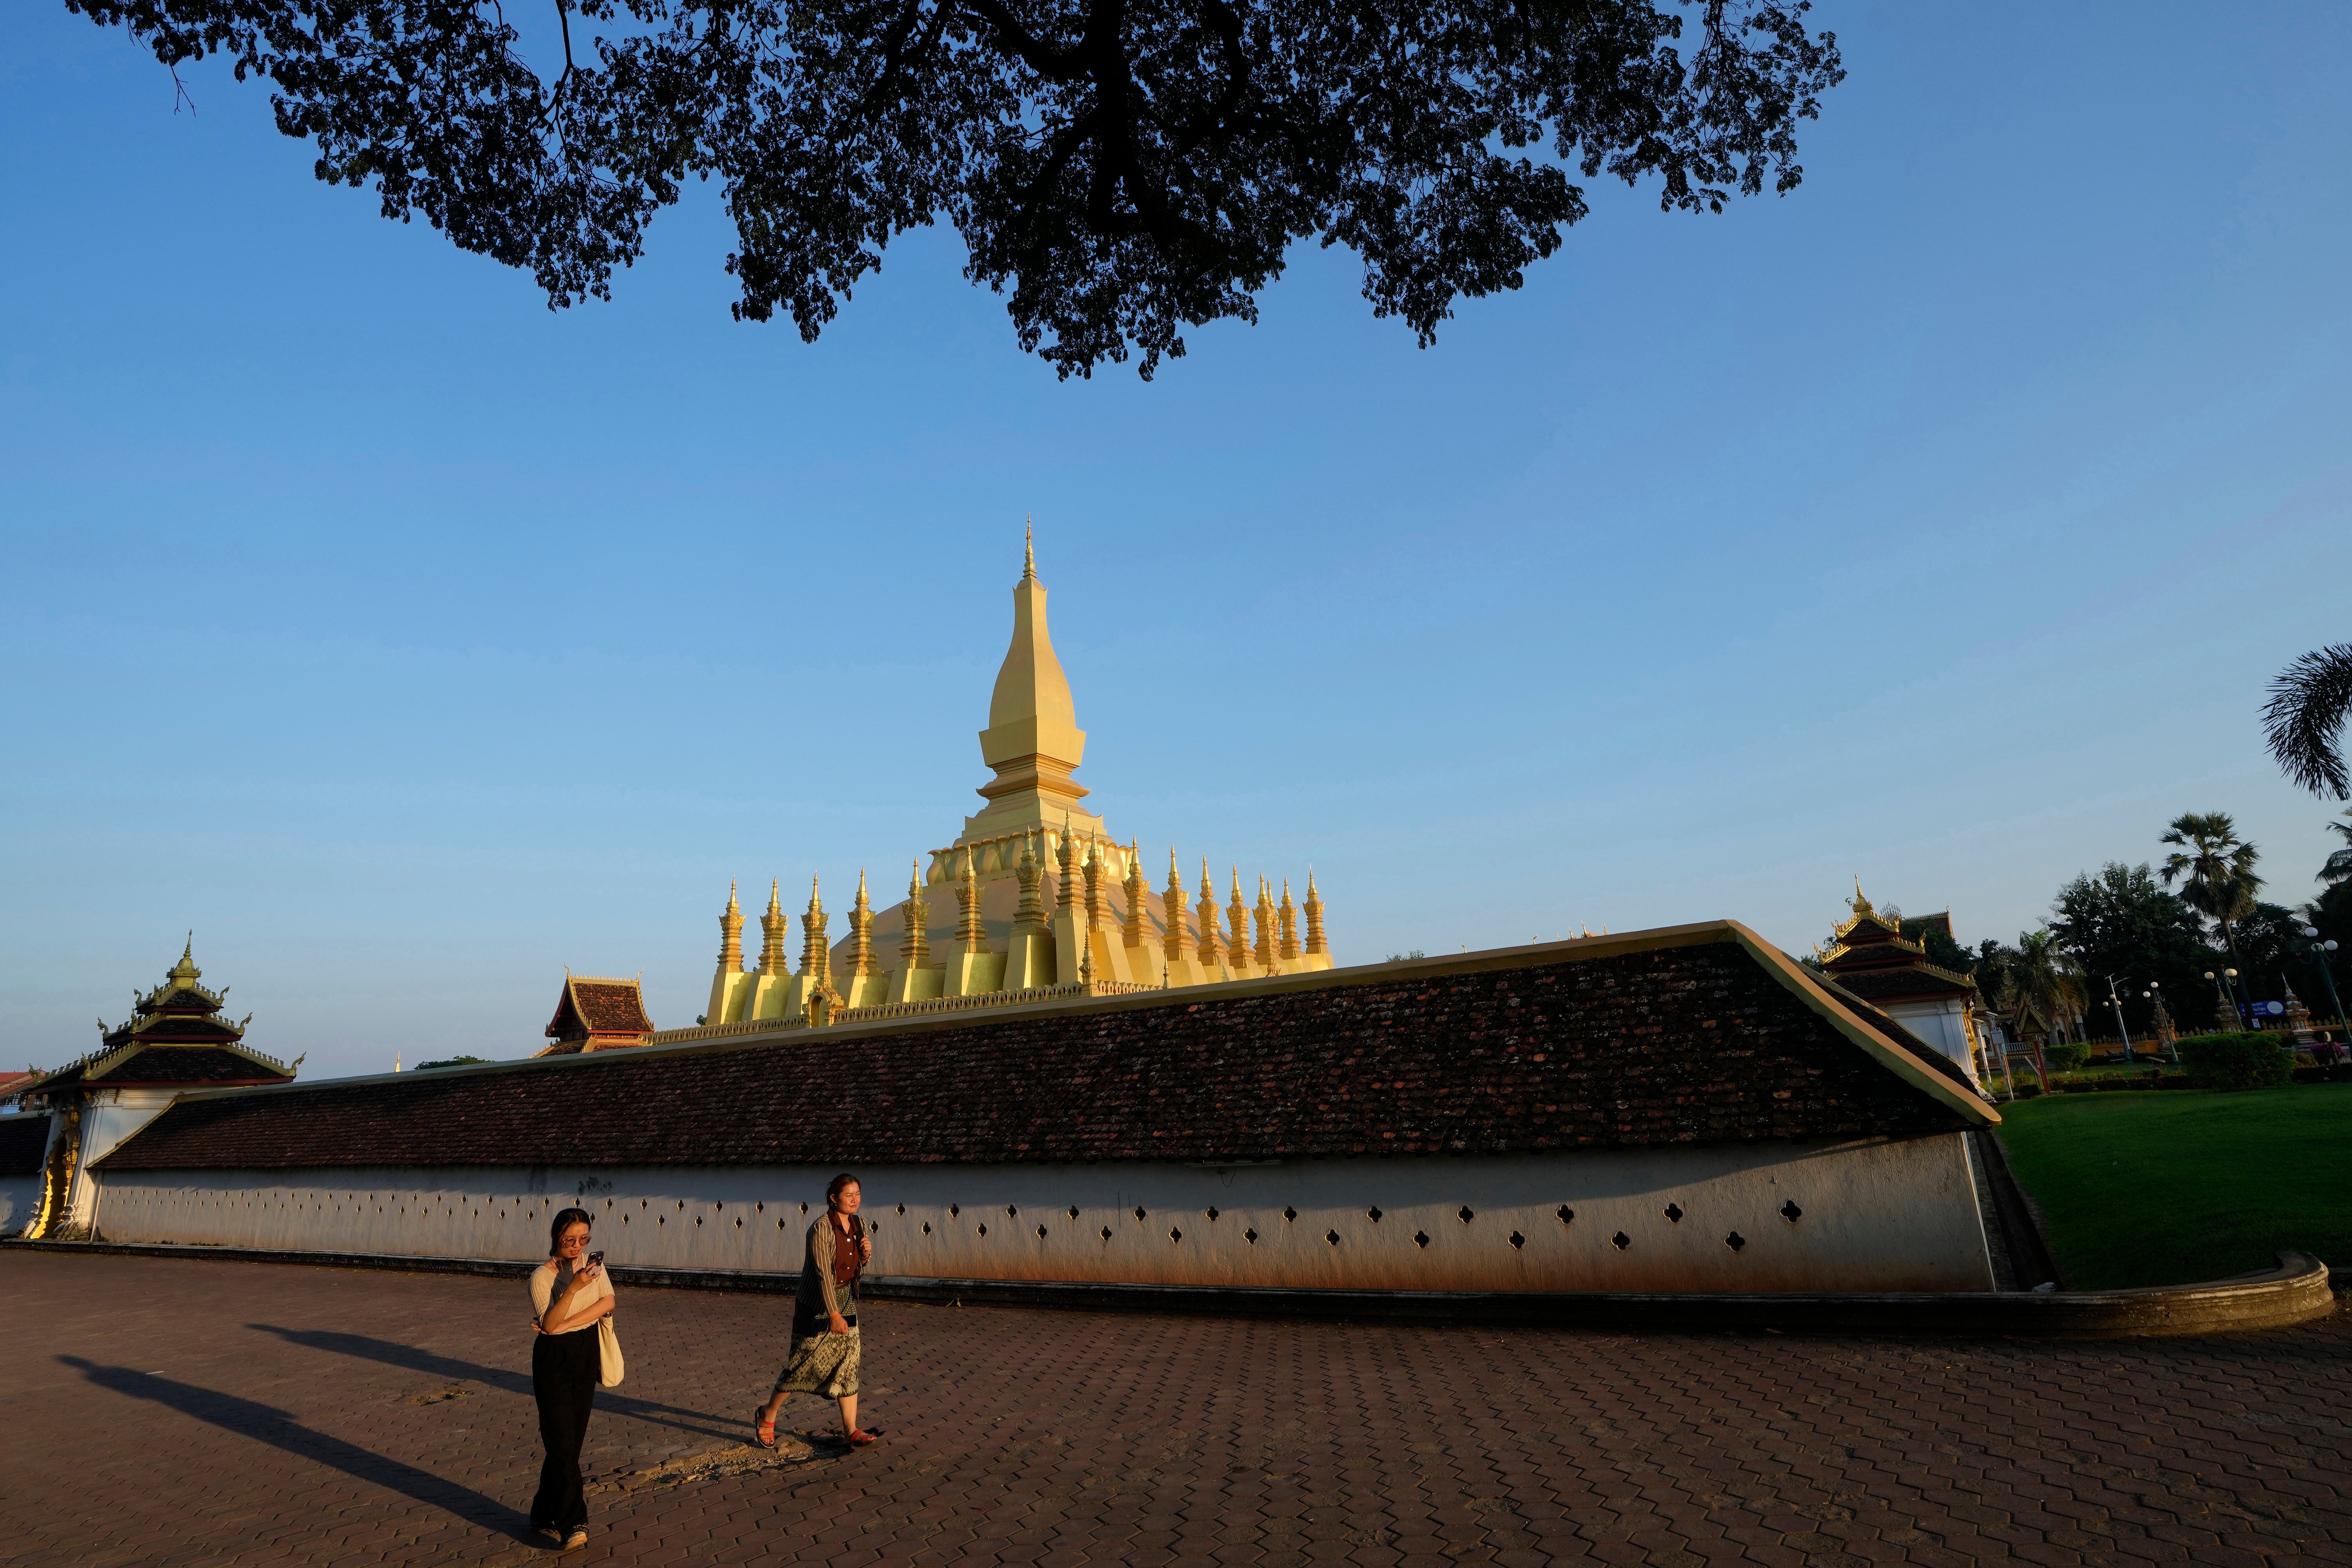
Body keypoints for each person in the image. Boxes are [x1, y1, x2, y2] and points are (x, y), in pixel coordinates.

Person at [756, 1172, 875, 1448]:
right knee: (802, 1365)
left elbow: (855, 1266)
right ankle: (767, 1414)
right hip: (816, 1303)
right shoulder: (821, 1229)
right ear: (834, 1199)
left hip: (845, 1298)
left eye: (858, 1193)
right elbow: (824, 1274)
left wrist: (866, 1253)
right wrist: (833, 1315)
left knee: (849, 1360)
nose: (855, 1199)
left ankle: (851, 1429)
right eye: (849, 1195)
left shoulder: (859, 1223)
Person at [529, 1207, 615, 1551]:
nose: (577, 1246)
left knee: (569, 1443)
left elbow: (608, 1301)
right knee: (562, 1444)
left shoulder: (594, 1266)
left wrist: (566, 1323)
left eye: (584, 1239)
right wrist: (574, 1288)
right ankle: (572, 1523)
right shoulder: (542, 1277)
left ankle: (542, 1513)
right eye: (570, 1239)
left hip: (585, 1350)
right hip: (553, 1359)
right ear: (556, 1237)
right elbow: (549, 1326)